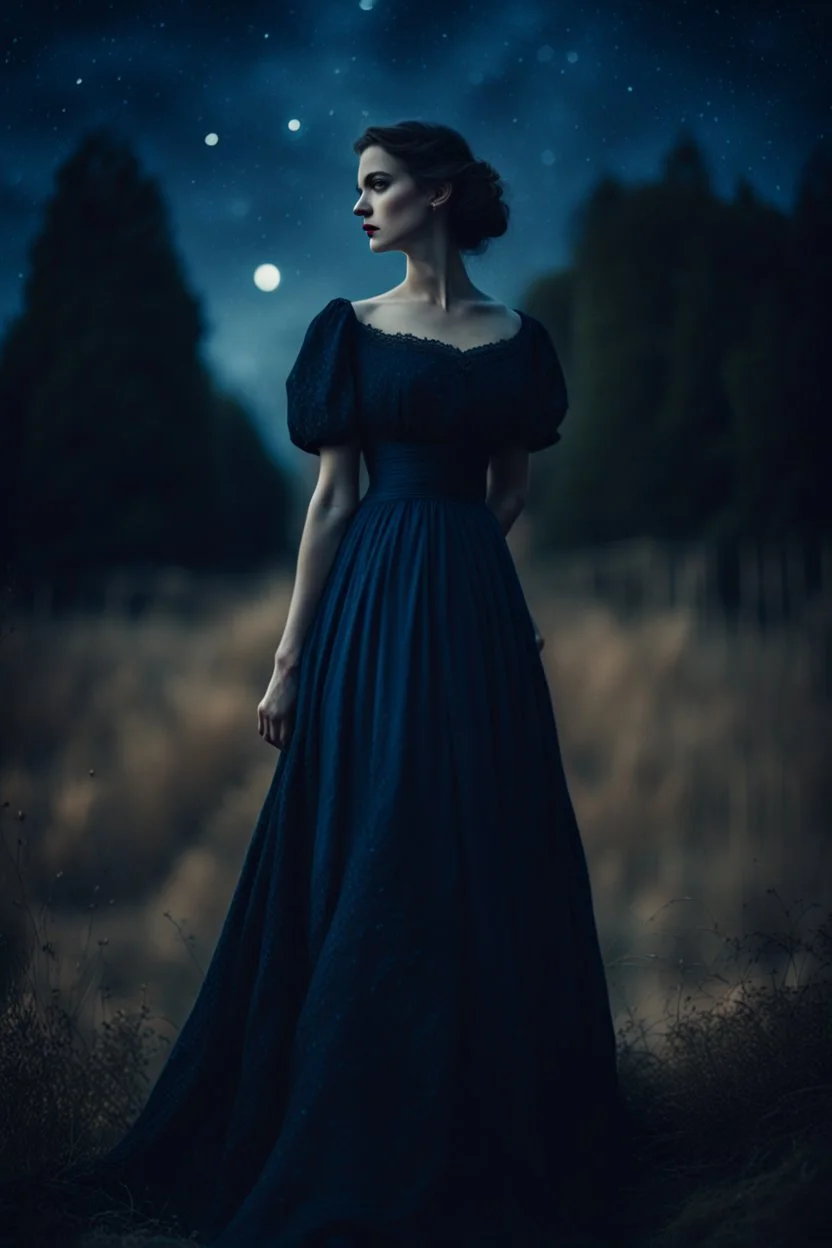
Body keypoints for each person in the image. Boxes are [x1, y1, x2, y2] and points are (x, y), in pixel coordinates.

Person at [65, 120, 630, 1248]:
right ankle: (340, 1120)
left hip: (471, 614)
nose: (360, 205)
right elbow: (331, 504)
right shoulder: (351, 332)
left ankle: (479, 1126)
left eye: (377, 185)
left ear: (440, 193)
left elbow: (510, 491)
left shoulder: (518, 340)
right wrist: (289, 661)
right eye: (359, 188)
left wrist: (462, 575)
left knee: (479, 842)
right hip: (371, 606)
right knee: (374, 837)